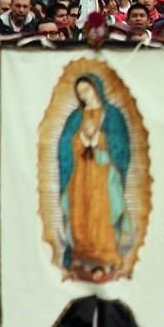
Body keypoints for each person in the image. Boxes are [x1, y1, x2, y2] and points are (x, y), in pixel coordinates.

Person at [58, 75, 131, 278]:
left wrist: (98, 139)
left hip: (103, 172)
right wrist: (80, 140)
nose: (84, 96)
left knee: (101, 209)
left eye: (87, 91)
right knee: (80, 209)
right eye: (80, 93)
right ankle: (81, 254)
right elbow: (64, 144)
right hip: (80, 173)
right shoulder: (75, 117)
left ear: (96, 89)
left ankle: (104, 254)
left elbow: (121, 145)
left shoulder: (112, 115)